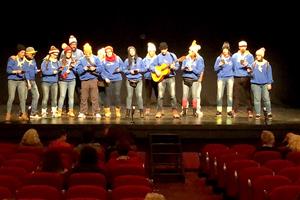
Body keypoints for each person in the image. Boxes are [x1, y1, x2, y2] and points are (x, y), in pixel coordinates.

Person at [150, 42, 180, 118]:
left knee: (173, 95)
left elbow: (177, 66)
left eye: (164, 49)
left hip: (171, 78)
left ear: (167, 48)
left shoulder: (172, 56)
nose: (163, 51)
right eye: (161, 49)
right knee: (160, 96)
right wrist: (156, 70)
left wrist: (174, 67)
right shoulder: (158, 57)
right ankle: (159, 111)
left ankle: (174, 111)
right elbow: (151, 66)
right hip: (161, 79)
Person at [76, 43, 102, 118]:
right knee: (83, 97)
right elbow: (78, 71)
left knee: (94, 97)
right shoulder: (81, 60)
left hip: (93, 79)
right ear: (84, 52)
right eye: (86, 53)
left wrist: (95, 68)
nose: (87, 54)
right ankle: (82, 112)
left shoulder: (96, 58)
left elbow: (101, 68)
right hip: (84, 81)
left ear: (91, 51)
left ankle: (96, 112)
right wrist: (84, 68)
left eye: (89, 53)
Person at [181, 40, 204, 117]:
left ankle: (194, 111)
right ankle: (184, 111)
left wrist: (192, 69)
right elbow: (182, 67)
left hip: (194, 80)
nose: (189, 51)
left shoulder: (199, 59)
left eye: (191, 51)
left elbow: (199, 71)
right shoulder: (186, 58)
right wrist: (185, 68)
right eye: (189, 50)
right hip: (185, 79)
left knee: (194, 96)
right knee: (185, 96)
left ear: (194, 52)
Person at [5, 44, 28, 121]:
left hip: (21, 81)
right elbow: (8, 70)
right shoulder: (12, 59)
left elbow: (26, 71)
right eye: (22, 52)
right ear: (18, 52)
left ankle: (23, 114)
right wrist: (16, 71)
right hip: (12, 81)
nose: (23, 54)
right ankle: (8, 114)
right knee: (11, 97)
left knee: (22, 98)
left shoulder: (24, 60)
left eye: (24, 52)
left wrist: (27, 81)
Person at [60, 35, 84, 109]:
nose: (74, 46)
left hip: (78, 76)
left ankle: (82, 109)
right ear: (69, 45)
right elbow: (60, 63)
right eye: (72, 44)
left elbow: (83, 62)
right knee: (67, 93)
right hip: (68, 75)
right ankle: (67, 109)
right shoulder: (64, 52)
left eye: (75, 44)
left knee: (80, 92)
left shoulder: (80, 52)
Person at [232, 40, 254, 118]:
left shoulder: (249, 56)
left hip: (246, 77)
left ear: (246, 47)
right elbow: (232, 66)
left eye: (244, 46)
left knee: (247, 95)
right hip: (237, 77)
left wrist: (247, 65)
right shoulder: (235, 56)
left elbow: (252, 66)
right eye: (241, 46)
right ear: (239, 47)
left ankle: (250, 110)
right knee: (236, 95)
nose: (243, 47)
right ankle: (234, 110)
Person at [100, 46, 124, 118]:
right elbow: (102, 71)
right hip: (108, 80)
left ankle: (118, 111)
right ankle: (107, 111)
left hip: (117, 79)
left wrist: (119, 69)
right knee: (108, 95)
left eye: (110, 51)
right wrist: (105, 78)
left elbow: (123, 66)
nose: (108, 53)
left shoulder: (117, 58)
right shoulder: (104, 60)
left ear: (112, 51)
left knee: (117, 94)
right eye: (107, 52)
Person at [249, 48, 273, 120]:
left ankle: (269, 112)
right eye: (257, 55)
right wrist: (249, 72)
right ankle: (258, 114)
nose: (257, 57)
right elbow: (251, 75)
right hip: (255, 84)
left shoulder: (267, 64)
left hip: (265, 83)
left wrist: (269, 83)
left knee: (266, 98)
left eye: (259, 55)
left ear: (262, 56)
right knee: (257, 99)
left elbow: (269, 74)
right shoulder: (254, 64)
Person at [123, 46, 145, 118]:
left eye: (133, 51)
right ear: (129, 52)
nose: (132, 52)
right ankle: (127, 112)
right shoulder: (126, 60)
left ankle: (141, 112)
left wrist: (139, 70)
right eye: (130, 51)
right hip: (129, 80)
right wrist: (130, 71)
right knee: (129, 96)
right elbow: (124, 70)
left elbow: (144, 69)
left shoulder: (140, 59)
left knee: (139, 96)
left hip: (138, 80)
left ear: (135, 51)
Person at [214, 42, 234, 117]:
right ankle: (219, 111)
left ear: (228, 50)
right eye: (224, 49)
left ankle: (229, 111)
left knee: (229, 95)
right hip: (221, 78)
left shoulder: (232, 59)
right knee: (219, 94)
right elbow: (215, 68)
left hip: (230, 78)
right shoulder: (219, 58)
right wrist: (220, 65)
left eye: (226, 49)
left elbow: (234, 68)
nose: (225, 51)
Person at [56, 44, 77, 117]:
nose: (69, 54)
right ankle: (59, 111)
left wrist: (74, 67)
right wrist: (65, 72)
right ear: (65, 53)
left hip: (72, 80)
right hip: (63, 81)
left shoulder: (73, 61)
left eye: (70, 52)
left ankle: (70, 111)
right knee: (62, 96)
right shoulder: (61, 61)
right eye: (67, 52)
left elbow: (77, 71)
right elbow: (59, 71)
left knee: (71, 96)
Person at [41, 46, 60, 118]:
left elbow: (59, 70)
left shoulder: (57, 62)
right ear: (51, 54)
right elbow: (44, 71)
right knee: (45, 97)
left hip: (54, 82)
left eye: (57, 54)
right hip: (46, 82)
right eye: (55, 54)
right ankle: (43, 112)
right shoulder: (45, 61)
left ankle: (54, 112)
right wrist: (53, 72)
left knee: (54, 98)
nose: (56, 56)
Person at [23, 47, 41, 119]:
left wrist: (38, 70)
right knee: (24, 97)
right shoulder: (24, 61)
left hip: (32, 80)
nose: (33, 55)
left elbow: (35, 69)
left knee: (36, 95)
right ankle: (22, 113)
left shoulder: (33, 60)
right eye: (32, 54)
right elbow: (25, 72)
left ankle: (33, 113)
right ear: (27, 54)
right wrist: (28, 82)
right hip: (26, 81)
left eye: (34, 54)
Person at [143, 42, 158, 116]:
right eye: (150, 51)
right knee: (148, 95)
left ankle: (159, 110)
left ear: (155, 51)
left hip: (156, 78)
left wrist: (154, 69)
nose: (152, 52)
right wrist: (148, 68)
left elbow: (160, 68)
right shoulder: (145, 60)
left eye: (153, 51)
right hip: (148, 78)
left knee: (158, 94)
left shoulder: (158, 58)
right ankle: (147, 109)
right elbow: (142, 68)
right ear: (148, 51)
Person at [97, 48, 109, 117]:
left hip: (103, 80)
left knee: (103, 96)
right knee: (97, 96)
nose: (100, 55)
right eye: (99, 54)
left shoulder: (105, 61)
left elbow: (104, 71)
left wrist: (105, 77)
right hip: (96, 80)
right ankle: (98, 111)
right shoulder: (96, 60)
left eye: (101, 54)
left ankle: (106, 110)